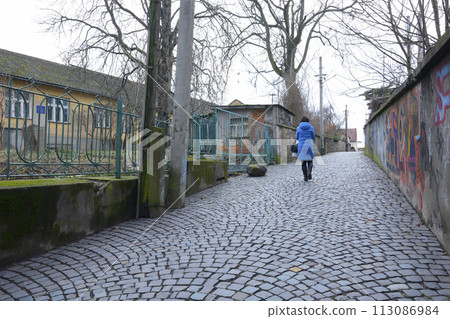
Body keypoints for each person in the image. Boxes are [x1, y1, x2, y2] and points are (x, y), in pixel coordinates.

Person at [296, 116, 316, 181]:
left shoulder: (298, 128)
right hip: (309, 145)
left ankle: (305, 177)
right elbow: (313, 136)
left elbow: (297, 137)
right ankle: (309, 172)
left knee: (303, 162)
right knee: (310, 161)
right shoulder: (311, 128)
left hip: (301, 146)